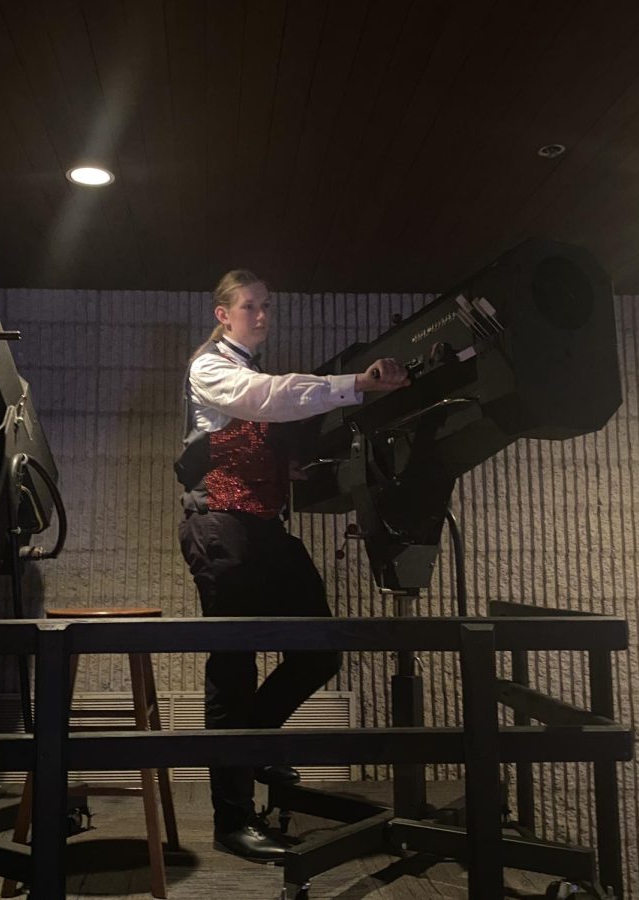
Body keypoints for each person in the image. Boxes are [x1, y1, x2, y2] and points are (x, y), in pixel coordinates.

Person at [176, 269, 408, 862]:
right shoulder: (212, 369)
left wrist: (297, 469)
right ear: (222, 314)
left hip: (262, 526)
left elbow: (266, 429)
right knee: (234, 667)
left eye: (266, 306)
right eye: (249, 306)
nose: (261, 314)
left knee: (320, 649)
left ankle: (251, 747)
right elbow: (271, 399)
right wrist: (358, 382)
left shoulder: (251, 373)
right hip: (220, 526)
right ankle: (231, 820)